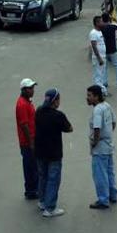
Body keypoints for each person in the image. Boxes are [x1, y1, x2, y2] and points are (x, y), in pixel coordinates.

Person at [35, 88, 73, 218]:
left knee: (42, 177)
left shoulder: (39, 111)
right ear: (55, 100)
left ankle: (42, 201)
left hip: (40, 151)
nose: (59, 102)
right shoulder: (58, 115)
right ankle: (50, 208)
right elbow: (69, 128)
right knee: (53, 179)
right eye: (58, 99)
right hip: (54, 153)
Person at [86, 85, 117, 209]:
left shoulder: (97, 110)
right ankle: (112, 195)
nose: (87, 98)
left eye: (90, 95)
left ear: (96, 96)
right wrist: (108, 134)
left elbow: (97, 128)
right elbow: (113, 123)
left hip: (100, 148)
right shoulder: (107, 106)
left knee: (100, 174)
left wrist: (95, 142)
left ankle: (103, 199)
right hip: (108, 145)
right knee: (109, 172)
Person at [16, 78, 39, 200]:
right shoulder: (22, 104)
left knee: (33, 165)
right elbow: (24, 125)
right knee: (30, 166)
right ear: (24, 90)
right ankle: (31, 191)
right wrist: (31, 143)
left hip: (31, 139)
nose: (32, 90)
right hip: (27, 142)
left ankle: (33, 188)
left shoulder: (27, 101)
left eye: (33, 88)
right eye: (30, 88)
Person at [101, 13, 117, 89]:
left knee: (104, 67)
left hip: (104, 50)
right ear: (109, 19)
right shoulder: (113, 26)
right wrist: (115, 20)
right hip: (113, 49)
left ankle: (104, 83)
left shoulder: (101, 27)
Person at [89, 16, 108, 96]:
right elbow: (94, 46)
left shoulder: (99, 32)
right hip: (98, 58)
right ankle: (102, 91)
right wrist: (99, 58)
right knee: (98, 76)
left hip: (103, 57)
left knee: (101, 75)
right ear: (97, 23)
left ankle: (99, 91)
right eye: (101, 22)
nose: (102, 23)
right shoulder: (93, 33)